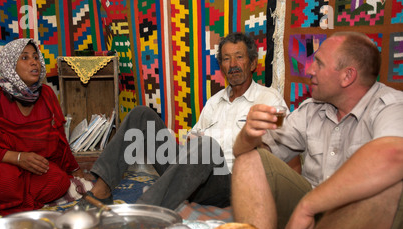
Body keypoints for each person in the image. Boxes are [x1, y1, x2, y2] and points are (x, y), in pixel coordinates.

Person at [231, 31, 403, 229]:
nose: (308, 69)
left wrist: (310, 204)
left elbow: (393, 156)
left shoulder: (392, 105)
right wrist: (247, 136)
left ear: (348, 76)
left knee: (387, 183)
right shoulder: (311, 110)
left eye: (319, 63)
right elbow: (243, 154)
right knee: (250, 160)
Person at [81, 32, 287, 210]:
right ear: (221, 67)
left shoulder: (270, 100)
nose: (232, 65)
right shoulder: (214, 102)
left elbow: (284, 152)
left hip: (231, 183)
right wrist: (187, 145)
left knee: (206, 146)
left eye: (239, 57)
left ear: (252, 63)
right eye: (226, 59)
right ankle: (101, 191)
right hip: (191, 175)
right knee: (142, 115)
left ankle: (146, 210)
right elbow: (194, 138)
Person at [0, 38, 84, 216]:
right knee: (5, 180)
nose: (33, 62)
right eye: (24, 58)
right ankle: (14, 198)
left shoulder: (46, 94)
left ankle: (9, 198)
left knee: (59, 180)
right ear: (10, 66)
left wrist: (75, 170)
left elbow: (59, 138)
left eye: (36, 57)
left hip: (27, 170)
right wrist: (17, 157)